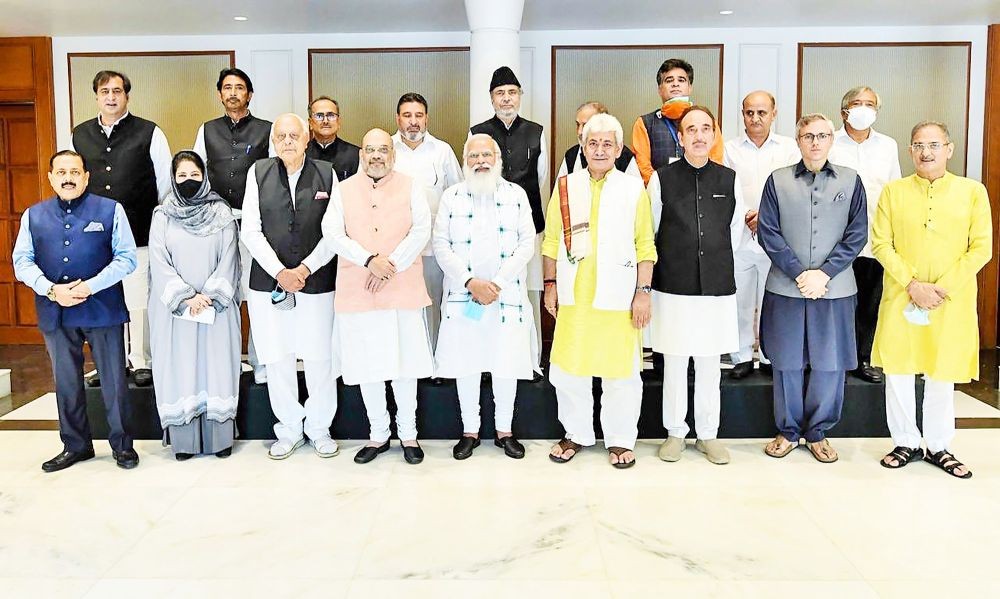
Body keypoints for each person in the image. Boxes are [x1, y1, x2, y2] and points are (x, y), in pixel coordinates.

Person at [873, 121, 992, 479]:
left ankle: (940, 446)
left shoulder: (972, 192)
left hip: (949, 299)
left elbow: (981, 248)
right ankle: (905, 441)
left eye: (934, 145)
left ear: (949, 149)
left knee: (942, 371)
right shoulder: (893, 192)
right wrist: (912, 284)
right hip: (901, 294)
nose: (926, 152)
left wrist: (940, 287)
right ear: (910, 151)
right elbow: (881, 244)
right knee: (899, 369)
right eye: (919, 145)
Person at [542, 114, 657, 469]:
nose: (600, 150)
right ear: (582, 146)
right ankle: (576, 433)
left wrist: (642, 292)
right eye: (593, 143)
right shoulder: (565, 185)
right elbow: (549, 242)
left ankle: (620, 439)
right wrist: (550, 285)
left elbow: (645, 245)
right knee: (569, 370)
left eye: (608, 144)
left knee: (621, 372)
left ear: (619, 149)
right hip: (575, 297)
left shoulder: (632, 188)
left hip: (619, 296)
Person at [13, 150, 138, 471]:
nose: (68, 177)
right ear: (51, 177)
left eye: (74, 172)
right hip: (55, 310)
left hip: (102, 308)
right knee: (66, 381)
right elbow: (21, 261)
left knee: (113, 381)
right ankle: (76, 445)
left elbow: (127, 258)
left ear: (85, 176)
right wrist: (50, 289)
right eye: (61, 172)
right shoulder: (33, 215)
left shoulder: (111, 210)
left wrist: (90, 286)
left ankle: (123, 446)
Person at [757, 113, 867, 464]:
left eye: (822, 136)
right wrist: (801, 274)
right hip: (786, 287)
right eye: (808, 136)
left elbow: (857, 233)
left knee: (830, 362)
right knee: (787, 360)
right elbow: (768, 232)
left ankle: (818, 431)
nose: (815, 142)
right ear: (798, 140)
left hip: (834, 289)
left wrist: (824, 274)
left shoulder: (851, 181)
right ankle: (788, 430)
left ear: (832, 140)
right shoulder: (777, 180)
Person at [323, 128, 433, 465]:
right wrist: (369, 260)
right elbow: (331, 233)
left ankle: (409, 434)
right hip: (359, 288)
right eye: (369, 150)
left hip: (402, 288)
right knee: (368, 366)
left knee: (405, 367)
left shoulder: (411, 186)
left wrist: (391, 264)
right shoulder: (342, 190)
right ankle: (378, 434)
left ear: (393, 154)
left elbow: (422, 229)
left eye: (382, 149)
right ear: (361, 155)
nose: (376, 156)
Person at [433, 134, 538, 460]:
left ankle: (505, 430)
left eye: (486, 155)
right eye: (474, 155)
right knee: (467, 362)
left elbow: (526, 243)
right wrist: (469, 282)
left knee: (505, 362)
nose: (481, 161)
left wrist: (497, 283)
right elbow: (440, 245)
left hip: (504, 295)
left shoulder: (516, 195)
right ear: (465, 160)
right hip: (465, 294)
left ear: (498, 159)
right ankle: (470, 430)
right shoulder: (452, 197)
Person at [648, 106, 743, 465]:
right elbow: (651, 232)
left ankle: (708, 434)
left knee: (708, 364)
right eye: (692, 129)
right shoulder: (661, 179)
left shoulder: (729, 179)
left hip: (717, 286)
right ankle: (674, 432)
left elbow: (734, 233)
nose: (699, 135)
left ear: (715, 134)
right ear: (681, 136)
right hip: (672, 285)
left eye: (706, 128)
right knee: (674, 362)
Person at [242, 114, 340, 460]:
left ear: (306, 138)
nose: (287, 141)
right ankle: (289, 429)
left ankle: (319, 428)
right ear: (273, 140)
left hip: (317, 283)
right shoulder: (258, 173)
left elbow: (334, 231)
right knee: (278, 357)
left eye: (293, 135)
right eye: (280, 135)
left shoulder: (326, 173)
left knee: (318, 358)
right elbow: (250, 230)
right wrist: (280, 271)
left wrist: (305, 268)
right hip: (269, 284)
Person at [71, 70, 172, 388]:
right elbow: (73, 177)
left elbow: (166, 183)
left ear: (127, 95)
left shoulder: (149, 132)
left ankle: (142, 362)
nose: (111, 96)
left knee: (138, 298)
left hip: (139, 229)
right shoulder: (79, 134)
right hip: (95, 234)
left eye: (117, 90)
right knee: (102, 297)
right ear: (97, 96)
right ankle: (108, 362)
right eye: (105, 91)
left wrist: (159, 224)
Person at [148, 151, 241, 460]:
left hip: (216, 309)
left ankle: (220, 439)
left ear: (205, 176)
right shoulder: (162, 215)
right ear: (173, 180)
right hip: (175, 311)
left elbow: (230, 259)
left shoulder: (222, 214)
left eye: (194, 175)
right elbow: (159, 262)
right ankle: (184, 441)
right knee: (181, 369)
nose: (188, 181)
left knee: (216, 368)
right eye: (182, 176)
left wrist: (209, 297)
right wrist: (186, 297)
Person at [193, 67, 274, 383]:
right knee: (219, 290)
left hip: (256, 223)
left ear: (249, 94)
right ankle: (223, 359)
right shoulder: (207, 130)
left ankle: (261, 359)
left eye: (239, 87)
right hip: (217, 222)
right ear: (219, 94)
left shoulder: (266, 130)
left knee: (258, 293)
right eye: (227, 87)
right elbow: (196, 172)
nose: (233, 93)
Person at [470, 66, 547, 359]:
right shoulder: (477, 132)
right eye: (500, 93)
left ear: (520, 96)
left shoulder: (536, 132)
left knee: (528, 291)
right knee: (493, 288)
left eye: (512, 93)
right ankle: (491, 357)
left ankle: (531, 359)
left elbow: (540, 179)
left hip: (530, 227)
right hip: (488, 228)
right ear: (491, 98)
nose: (506, 99)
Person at [723, 91, 800, 378]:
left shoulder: (789, 149)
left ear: (774, 113)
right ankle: (742, 356)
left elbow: (793, 189)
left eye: (762, 112)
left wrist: (765, 218)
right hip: (740, 235)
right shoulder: (729, 149)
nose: (755, 118)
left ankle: (769, 355)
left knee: (772, 301)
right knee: (740, 299)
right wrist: (748, 216)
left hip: (776, 238)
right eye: (749, 112)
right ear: (742, 114)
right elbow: (725, 188)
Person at [828, 86, 901, 384]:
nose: (863, 108)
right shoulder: (829, 141)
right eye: (856, 103)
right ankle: (834, 359)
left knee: (870, 302)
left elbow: (894, 188)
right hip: (835, 240)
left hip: (875, 237)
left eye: (869, 104)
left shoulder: (888, 145)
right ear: (844, 110)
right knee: (836, 302)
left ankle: (862, 358)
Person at [391, 92, 463, 356]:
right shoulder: (385, 148)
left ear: (426, 118)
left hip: (434, 247)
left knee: (433, 305)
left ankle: (434, 363)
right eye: (407, 116)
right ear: (398, 118)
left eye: (418, 116)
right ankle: (405, 361)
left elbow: (458, 194)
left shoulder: (442, 151)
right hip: (394, 249)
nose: (413, 122)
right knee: (400, 309)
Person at [632, 58, 723, 185]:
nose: (675, 84)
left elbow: (716, 160)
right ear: (659, 89)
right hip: (660, 194)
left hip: (701, 191)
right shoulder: (645, 123)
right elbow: (643, 166)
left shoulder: (708, 120)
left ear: (689, 87)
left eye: (681, 80)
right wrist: (662, 188)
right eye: (669, 80)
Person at [557, 101, 640, 178]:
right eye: (578, 125)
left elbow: (635, 188)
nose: (580, 131)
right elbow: (561, 187)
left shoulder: (625, 156)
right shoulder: (571, 155)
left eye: (585, 125)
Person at [305, 96, 361, 182]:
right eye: (319, 116)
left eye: (331, 115)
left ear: (338, 121)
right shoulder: (301, 154)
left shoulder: (356, 155)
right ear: (310, 123)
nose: (325, 121)